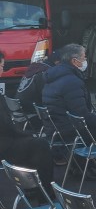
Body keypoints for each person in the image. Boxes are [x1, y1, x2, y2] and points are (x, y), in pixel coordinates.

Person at [0, 50, 55, 198]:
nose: (2, 69)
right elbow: (6, 127)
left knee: (33, 144)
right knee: (40, 145)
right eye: (2, 65)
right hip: (4, 144)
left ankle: (33, 189)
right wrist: (24, 134)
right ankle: (45, 193)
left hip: (6, 139)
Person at [42, 43, 96, 146]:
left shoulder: (53, 76)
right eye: (83, 58)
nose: (85, 61)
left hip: (53, 127)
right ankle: (84, 161)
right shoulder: (71, 81)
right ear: (74, 61)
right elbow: (81, 113)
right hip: (68, 130)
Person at [17, 51, 60, 118]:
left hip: (20, 104)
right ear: (57, 62)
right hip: (30, 109)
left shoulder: (36, 66)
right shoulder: (45, 72)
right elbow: (46, 96)